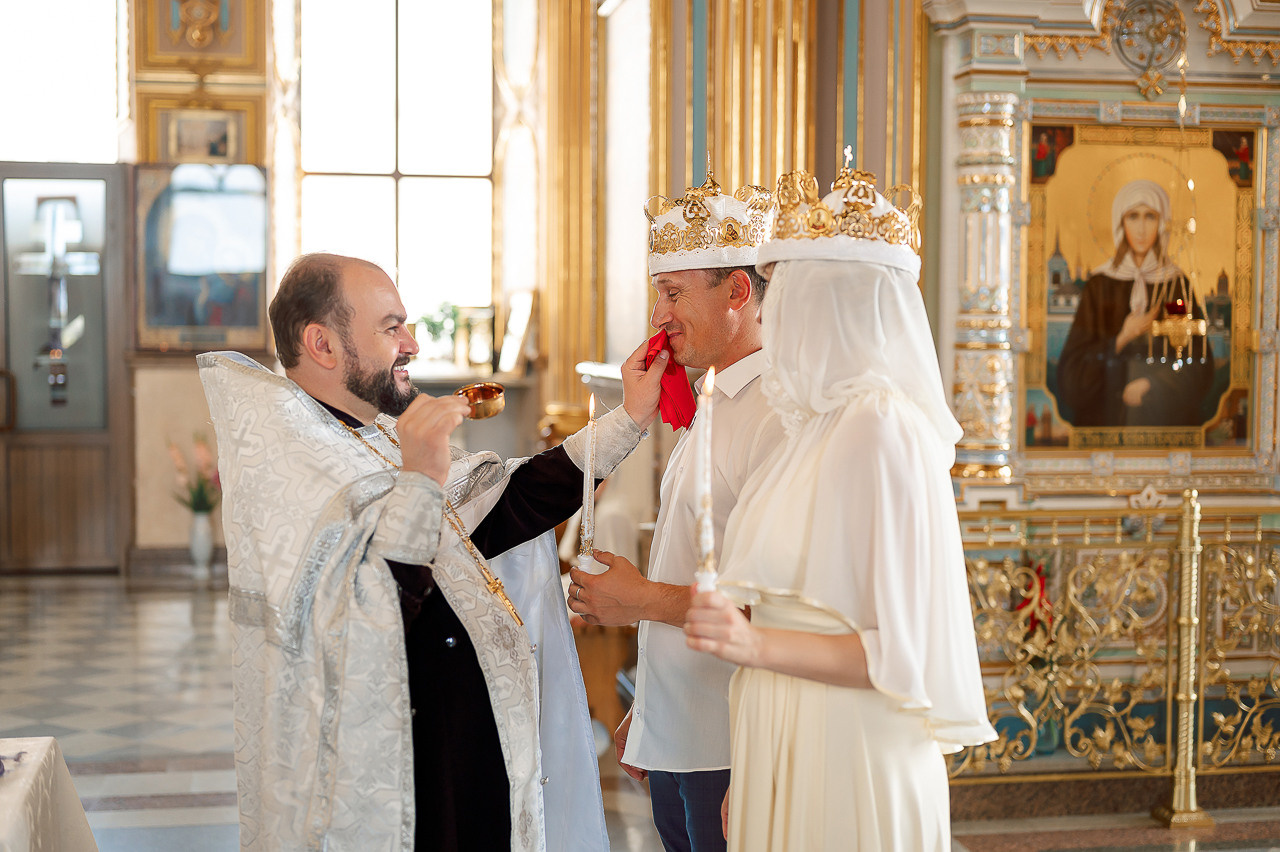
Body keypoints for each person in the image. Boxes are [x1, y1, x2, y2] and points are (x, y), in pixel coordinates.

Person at [198, 252, 666, 852]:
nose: (413, 344)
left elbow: (502, 508)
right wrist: (420, 480)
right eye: (391, 327)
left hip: (454, 764)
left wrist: (629, 418)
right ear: (322, 344)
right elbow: (366, 618)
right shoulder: (292, 469)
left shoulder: (369, 434)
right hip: (396, 786)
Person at [683, 168, 997, 851]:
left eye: (786, 293)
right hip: (787, 736)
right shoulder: (816, 427)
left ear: (834, 302)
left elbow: (900, 651)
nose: (772, 315)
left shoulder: (881, 428)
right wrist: (755, 767)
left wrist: (750, 644)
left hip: (848, 750)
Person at [567, 169, 784, 852]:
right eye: (657, 293)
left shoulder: (776, 414)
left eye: (673, 293)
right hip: (682, 731)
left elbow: (771, 607)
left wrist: (635, 600)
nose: (658, 315)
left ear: (739, 293)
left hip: (731, 742)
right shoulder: (712, 402)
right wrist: (650, 711)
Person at [1056, 179, 1214, 427]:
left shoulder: (1173, 285)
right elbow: (1072, 376)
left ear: (1162, 223)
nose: (1141, 228)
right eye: (1133, 217)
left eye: (1150, 217)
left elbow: (1196, 362)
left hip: (1161, 421)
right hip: (1106, 419)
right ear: (1121, 221)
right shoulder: (1100, 285)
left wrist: (1153, 384)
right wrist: (1123, 337)